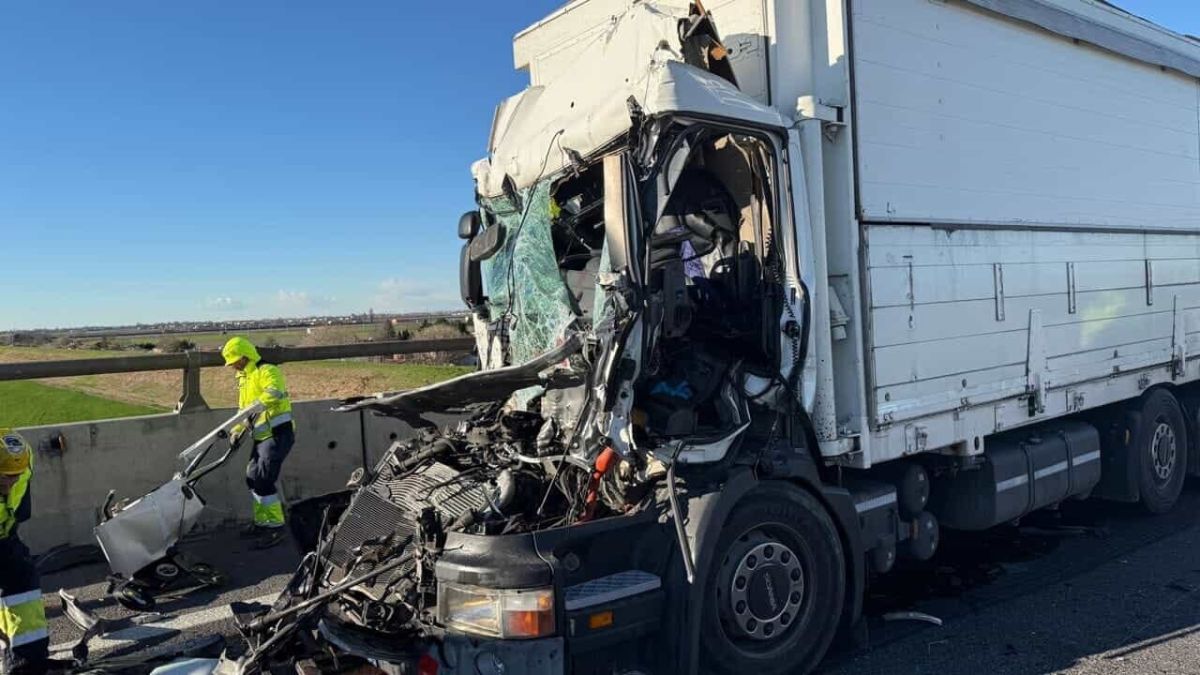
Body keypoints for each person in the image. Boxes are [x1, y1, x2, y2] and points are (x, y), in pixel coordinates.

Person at [221, 337, 295, 548]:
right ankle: (263, 522)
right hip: (262, 437)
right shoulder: (244, 379)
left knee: (263, 480)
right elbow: (242, 412)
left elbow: (274, 392)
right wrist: (236, 431)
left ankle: (275, 528)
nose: (233, 365)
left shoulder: (267, 370)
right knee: (252, 478)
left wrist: (257, 406)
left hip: (278, 434)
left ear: (245, 356)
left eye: (235, 361)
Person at [0, 430, 48, 673]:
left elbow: (18, 511)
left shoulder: (23, 469)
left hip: (4, 538)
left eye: (14, 477)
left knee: (24, 586)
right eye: (3, 478)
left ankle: (28, 663)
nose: (9, 484)